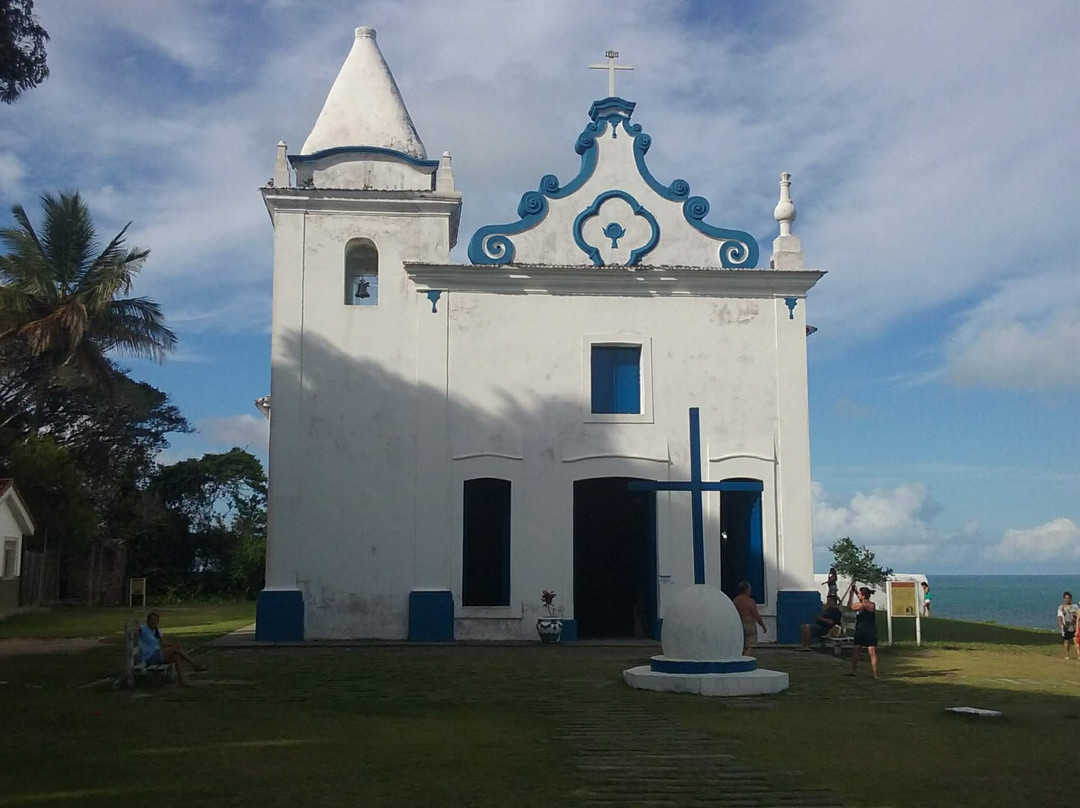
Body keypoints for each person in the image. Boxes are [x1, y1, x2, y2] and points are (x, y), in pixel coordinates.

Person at [139, 611, 208, 687]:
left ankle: (182, 682)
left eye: (156, 620)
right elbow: (134, 631)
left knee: (177, 657)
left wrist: (175, 644)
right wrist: (133, 627)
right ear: (147, 621)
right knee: (177, 648)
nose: (153, 622)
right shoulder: (143, 629)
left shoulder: (157, 631)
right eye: (152, 619)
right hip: (150, 657)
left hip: (158, 655)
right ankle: (195, 665)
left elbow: (164, 643)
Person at [846, 585, 879, 678]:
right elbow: (865, 603)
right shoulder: (872, 604)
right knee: (872, 653)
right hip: (870, 631)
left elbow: (849, 606)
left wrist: (851, 594)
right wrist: (856, 592)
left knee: (857, 651)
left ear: (863, 596)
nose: (858, 595)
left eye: (860, 594)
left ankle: (853, 671)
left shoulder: (860, 605)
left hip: (861, 631)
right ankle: (875, 674)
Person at [733, 581, 767, 655]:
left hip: (739, 625)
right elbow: (756, 614)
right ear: (747, 589)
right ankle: (745, 660)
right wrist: (763, 625)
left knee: (741, 645)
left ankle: (740, 659)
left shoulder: (735, 600)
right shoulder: (750, 601)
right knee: (751, 645)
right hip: (749, 625)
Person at [1057, 592, 1078, 661]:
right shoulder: (1061, 607)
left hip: (1074, 626)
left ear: (1071, 599)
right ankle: (1067, 654)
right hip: (1066, 626)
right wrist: (1061, 625)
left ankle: (1079, 655)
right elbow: (1059, 616)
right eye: (1066, 598)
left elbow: (1078, 616)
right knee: (1067, 641)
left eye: (1068, 598)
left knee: (1076, 640)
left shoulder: (1075, 606)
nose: (1067, 600)